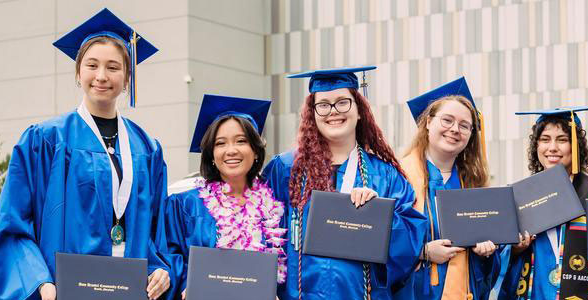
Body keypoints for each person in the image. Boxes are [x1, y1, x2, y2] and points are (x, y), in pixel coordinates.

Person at [0, 8, 171, 300]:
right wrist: (39, 282)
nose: (101, 76)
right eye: (92, 65)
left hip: (129, 289)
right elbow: (14, 222)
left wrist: (162, 269)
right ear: (78, 72)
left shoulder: (146, 148)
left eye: (113, 67)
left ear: (127, 78)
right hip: (62, 289)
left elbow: (158, 231)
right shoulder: (46, 139)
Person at [260, 66, 428, 300]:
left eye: (343, 102)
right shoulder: (286, 169)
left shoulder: (385, 175)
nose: (333, 111)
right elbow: (261, 230)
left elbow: (410, 241)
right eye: (323, 105)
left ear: (359, 110)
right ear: (313, 113)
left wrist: (377, 214)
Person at [159, 95, 286, 299]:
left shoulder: (274, 208)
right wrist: (186, 285)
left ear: (255, 151)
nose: (231, 150)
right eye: (220, 143)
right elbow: (169, 259)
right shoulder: (185, 205)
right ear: (211, 154)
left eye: (241, 141)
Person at [497, 106, 588, 300]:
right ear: (536, 146)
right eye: (545, 139)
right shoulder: (520, 196)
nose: (552, 147)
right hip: (537, 291)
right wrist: (515, 249)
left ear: (576, 145)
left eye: (562, 140)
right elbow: (503, 258)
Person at [394, 77, 503, 300]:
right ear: (427, 122)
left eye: (465, 125)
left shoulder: (473, 185)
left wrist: (486, 254)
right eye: (447, 120)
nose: (455, 129)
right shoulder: (398, 177)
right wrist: (422, 252)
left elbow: (490, 271)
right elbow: (381, 242)